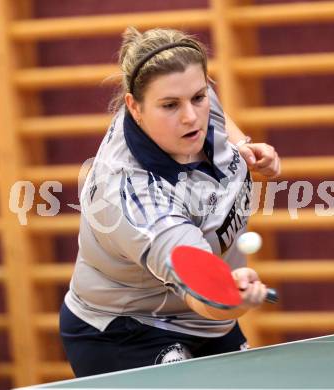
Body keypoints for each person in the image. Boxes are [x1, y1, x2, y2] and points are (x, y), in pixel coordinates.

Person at [60, 27, 281, 377]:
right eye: (170, 105)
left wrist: (244, 147)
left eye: (198, 96)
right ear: (134, 106)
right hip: (126, 329)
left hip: (204, 323)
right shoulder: (134, 198)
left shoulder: (190, 104)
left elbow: (214, 114)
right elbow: (202, 297)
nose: (191, 116)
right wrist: (232, 300)